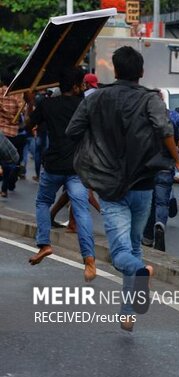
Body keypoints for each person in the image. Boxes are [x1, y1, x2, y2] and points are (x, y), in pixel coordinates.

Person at [67, 46, 179, 331]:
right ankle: (127, 313)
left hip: (109, 185)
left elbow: (73, 131)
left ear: (115, 70)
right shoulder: (150, 99)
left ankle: (139, 277)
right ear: (141, 72)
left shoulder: (97, 99)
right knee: (133, 247)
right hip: (143, 183)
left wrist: (94, 152)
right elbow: (164, 130)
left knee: (121, 254)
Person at [22, 67, 97, 282]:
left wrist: (29, 103)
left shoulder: (47, 104)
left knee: (43, 202)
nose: (83, 86)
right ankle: (89, 259)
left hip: (53, 165)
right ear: (75, 87)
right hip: (76, 167)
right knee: (81, 210)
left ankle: (44, 244)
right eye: (81, 83)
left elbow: (28, 127)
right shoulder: (84, 106)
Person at [142, 95, 179, 251]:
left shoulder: (143, 116)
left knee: (150, 203)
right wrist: (178, 145)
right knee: (162, 202)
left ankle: (148, 237)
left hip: (147, 166)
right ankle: (160, 225)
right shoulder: (171, 115)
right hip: (165, 165)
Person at [0, 71, 28, 197]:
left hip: (1, 131)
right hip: (13, 132)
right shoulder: (18, 94)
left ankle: (4, 187)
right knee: (12, 160)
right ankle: (7, 184)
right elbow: (23, 112)